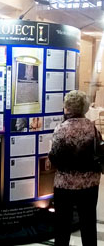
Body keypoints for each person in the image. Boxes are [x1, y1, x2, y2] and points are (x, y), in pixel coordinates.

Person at [49, 90, 103, 246]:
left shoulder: (61, 129)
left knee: (62, 225)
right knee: (88, 223)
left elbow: (55, 158)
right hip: (89, 184)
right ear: (85, 108)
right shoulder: (92, 129)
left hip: (64, 184)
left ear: (67, 108)